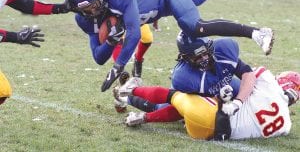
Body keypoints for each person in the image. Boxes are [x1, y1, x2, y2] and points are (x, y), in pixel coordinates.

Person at [69, 0, 274, 92]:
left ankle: (257, 33)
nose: (92, 11)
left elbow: (134, 33)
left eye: (94, 4)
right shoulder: (85, 18)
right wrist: (111, 42)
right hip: (159, 9)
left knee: (195, 27)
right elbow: (98, 57)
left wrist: (119, 66)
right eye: (86, 8)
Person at [117, 67, 299, 140]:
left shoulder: (269, 84)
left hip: (208, 115)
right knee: (184, 107)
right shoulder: (287, 126)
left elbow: (248, 75)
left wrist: (234, 100)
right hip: (212, 135)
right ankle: (141, 114)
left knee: (174, 95)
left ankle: (128, 92)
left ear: (283, 83)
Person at [113, 32, 256, 115]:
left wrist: (237, 102)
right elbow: (205, 105)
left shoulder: (224, 50)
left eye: (205, 53)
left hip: (223, 83)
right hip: (199, 95)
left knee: (250, 92)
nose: (204, 59)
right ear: (185, 58)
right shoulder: (183, 77)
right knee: (162, 108)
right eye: (197, 57)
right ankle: (124, 96)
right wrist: (222, 100)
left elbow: (248, 74)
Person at [77, 0, 158, 79]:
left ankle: (138, 59)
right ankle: (120, 74)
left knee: (147, 38)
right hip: (107, 5)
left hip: (129, 2)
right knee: (115, 36)